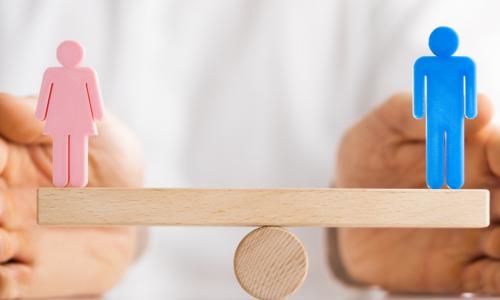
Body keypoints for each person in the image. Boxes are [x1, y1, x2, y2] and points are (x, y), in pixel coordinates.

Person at [1, 0, 500, 299]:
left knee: (445, 156)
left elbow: (481, 120)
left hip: (381, 237)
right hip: (70, 226)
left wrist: (357, 239)